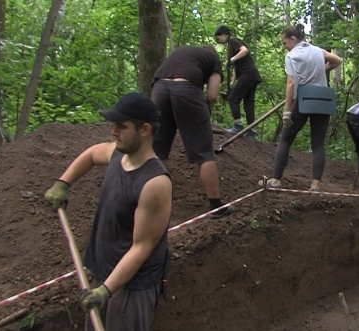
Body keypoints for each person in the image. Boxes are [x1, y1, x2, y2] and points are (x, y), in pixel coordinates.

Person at [44, 92, 172, 331]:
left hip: (132, 287)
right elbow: (92, 154)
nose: (114, 132)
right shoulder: (117, 154)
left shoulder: (154, 183)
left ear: (144, 130)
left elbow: (141, 247)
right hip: (105, 270)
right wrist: (64, 183)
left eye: (121, 127)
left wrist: (106, 290)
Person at [151, 45, 235, 218]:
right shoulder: (213, 59)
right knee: (203, 151)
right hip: (186, 90)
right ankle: (216, 205)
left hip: (158, 89)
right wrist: (204, 110)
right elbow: (212, 95)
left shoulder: (182, 53)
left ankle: (146, 199)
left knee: (155, 148)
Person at [259, 24, 342, 192]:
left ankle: (275, 181)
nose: (285, 47)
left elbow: (291, 83)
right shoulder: (317, 51)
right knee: (318, 145)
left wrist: (287, 110)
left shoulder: (292, 56)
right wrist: (324, 69)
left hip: (304, 98)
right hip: (323, 99)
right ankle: (315, 186)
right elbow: (338, 61)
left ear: (293, 39)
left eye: (284, 43)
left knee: (285, 139)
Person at [214, 25, 263, 138]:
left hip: (248, 74)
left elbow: (244, 50)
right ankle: (251, 130)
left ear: (225, 34)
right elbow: (237, 67)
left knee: (233, 99)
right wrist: (231, 83)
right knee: (248, 104)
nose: (219, 40)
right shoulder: (231, 46)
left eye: (219, 37)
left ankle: (238, 126)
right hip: (252, 75)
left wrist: (231, 59)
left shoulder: (233, 41)